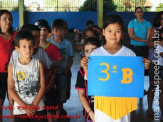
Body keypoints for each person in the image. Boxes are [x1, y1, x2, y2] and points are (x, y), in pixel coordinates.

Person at [80, 15, 150, 122]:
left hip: (123, 103)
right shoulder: (96, 54)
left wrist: (142, 67)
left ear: (122, 32)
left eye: (117, 31)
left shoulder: (129, 54)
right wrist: (85, 68)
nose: (113, 34)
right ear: (103, 32)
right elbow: (93, 81)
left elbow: (134, 78)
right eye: (109, 31)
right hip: (103, 103)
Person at [9, 24, 53, 120]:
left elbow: (42, 86)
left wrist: (34, 105)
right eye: (24, 46)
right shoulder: (12, 66)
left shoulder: (39, 64)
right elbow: (11, 88)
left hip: (38, 107)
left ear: (35, 46)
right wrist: (25, 107)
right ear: (17, 48)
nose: (28, 50)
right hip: (20, 109)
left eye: (30, 46)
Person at [35, 19, 62, 122]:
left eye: (45, 29)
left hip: (49, 85)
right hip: (35, 87)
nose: (42, 32)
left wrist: (49, 84)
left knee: (50, 110)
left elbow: (54, 69)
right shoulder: (30, 49)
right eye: (39, 29)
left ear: (49, 32)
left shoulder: (53, 48)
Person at [47, 18, 74, 115]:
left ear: (65, 31)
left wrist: (66, 71)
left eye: (61, 30)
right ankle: (51, 112)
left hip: (63, 73)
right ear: (52, 31)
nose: (59, 33)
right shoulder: (48, 42)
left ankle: (59, 113)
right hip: (50, 74)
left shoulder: (67, 43)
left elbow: (70, 58)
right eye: (56, 30)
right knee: (51, 94)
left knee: (62, 94)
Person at [75, 37, 101, 122]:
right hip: (90, 114)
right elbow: (81, 94)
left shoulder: (107, 69)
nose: (90, 54)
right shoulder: (82, 71)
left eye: (94, 50)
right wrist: (91, 113)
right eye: (87, 51)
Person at [0, 9, 17, 122]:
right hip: (0, 74)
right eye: (5, 19)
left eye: (10, 18)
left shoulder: (17, 36)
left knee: (13, 101)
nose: (8, 21)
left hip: (16, 73)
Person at [147, 11, 163, 118]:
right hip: (155, 61)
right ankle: (149, 109)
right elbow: (148, 43)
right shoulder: (154, 30)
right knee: (153, 86)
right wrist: (159, 42)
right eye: (162, 18)